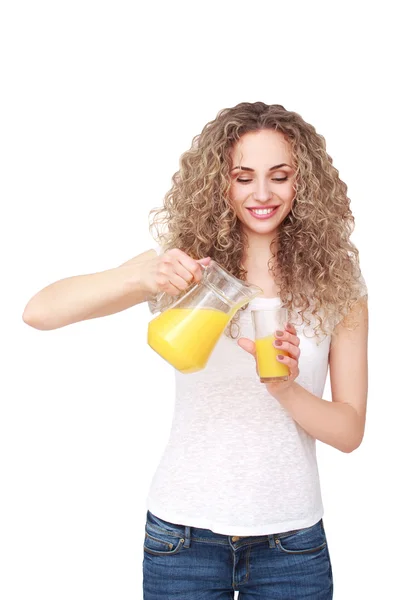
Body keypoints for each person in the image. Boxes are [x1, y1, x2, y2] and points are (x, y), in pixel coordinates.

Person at [23, 102, 368, 599]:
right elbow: (39, 312)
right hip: (181, 541)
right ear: (219, 183)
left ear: (304, 181)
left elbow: (350, 431)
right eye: (243, 176)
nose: (262, 194)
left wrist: (285, 389)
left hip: (292, 545)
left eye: (280, 175)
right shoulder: (183, 263)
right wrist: (141, 276)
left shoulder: (337, 284)